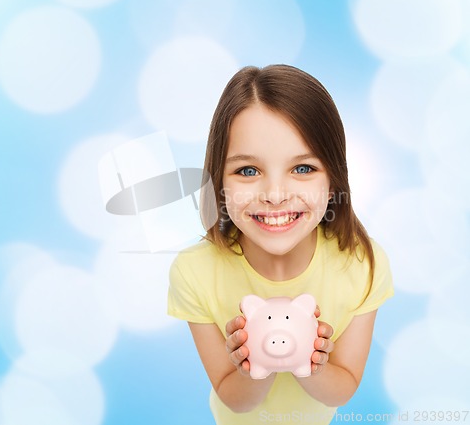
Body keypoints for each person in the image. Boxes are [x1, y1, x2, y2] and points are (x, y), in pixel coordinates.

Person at [167, 64, 394, 425]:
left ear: (334, 178)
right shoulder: (194, 271)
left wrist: (308, 362)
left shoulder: (362, 264)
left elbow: (344, 388)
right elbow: (234, 401)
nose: (274, 196)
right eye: (248, 171)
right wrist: (254, 363)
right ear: (218, 183)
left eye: (303, 168)